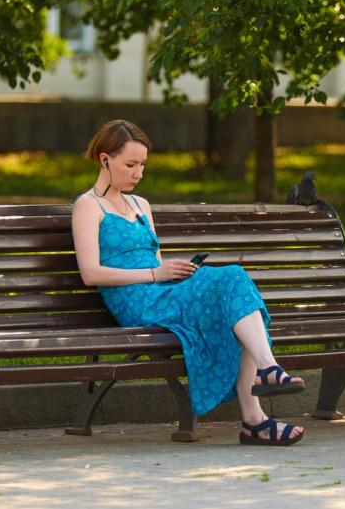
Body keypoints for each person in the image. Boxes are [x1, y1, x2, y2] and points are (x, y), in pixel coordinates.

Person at [71, 120, 305, 446]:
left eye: (143, 165)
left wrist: (175, 271)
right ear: (105, 160)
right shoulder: (88, 206)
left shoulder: (140, 205)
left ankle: (258, 410)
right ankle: (263, 390)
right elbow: (91, 273)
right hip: (135, 302)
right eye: (131, 165)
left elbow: (154, 261)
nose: (139, 173)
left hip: (162, 291)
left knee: (232, 292)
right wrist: (156, 274)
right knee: (231, 283)